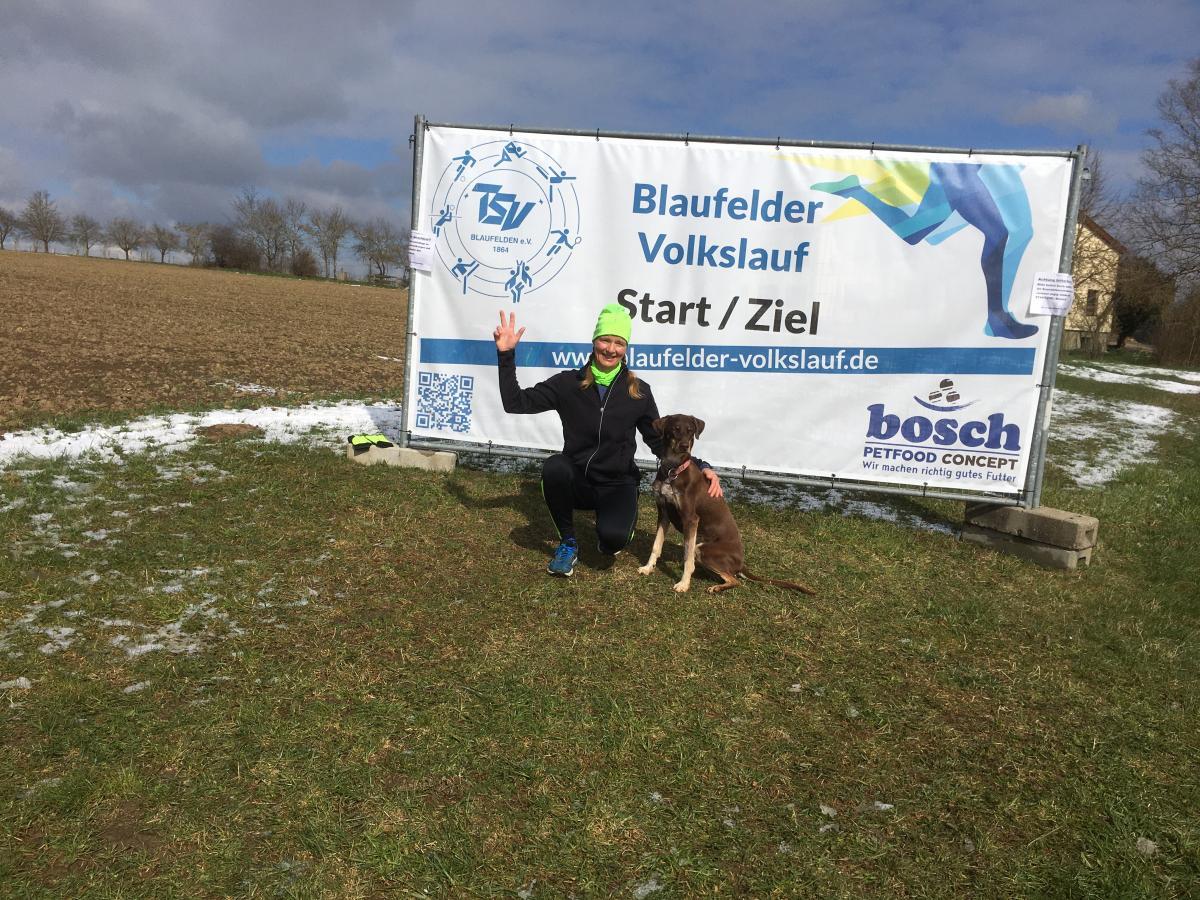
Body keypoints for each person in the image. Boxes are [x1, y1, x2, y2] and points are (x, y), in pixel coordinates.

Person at [494, 304, 722, 577]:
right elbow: (515, 403)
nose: (611, 349)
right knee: (555, 467)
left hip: (618, 483)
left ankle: (613, 526)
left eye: (619, 343)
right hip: (579, 479)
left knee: (613, 540)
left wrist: (701, 465)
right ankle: (568, 542)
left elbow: (658, 442)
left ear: (625, 348)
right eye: (605, 340)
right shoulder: (568, 383)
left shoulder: (639, 392)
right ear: (594, 342)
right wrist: (506, 354)